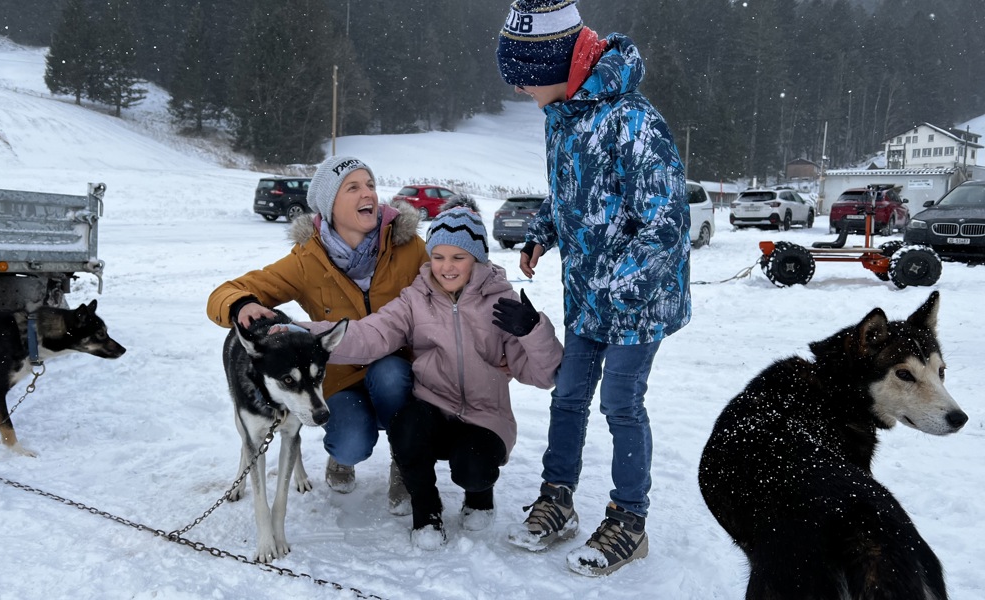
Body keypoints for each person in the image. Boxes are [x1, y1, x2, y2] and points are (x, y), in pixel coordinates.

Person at [495, 0, 692, 577]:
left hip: (639, 300)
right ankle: (557, 499)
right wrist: (542, 230)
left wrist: (617, 288)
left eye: (524, 79)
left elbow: (666, 225)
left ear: (558, 65)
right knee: (569, 394)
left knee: (620, 403)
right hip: (587, 296)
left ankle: (630, 521)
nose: (520, 91)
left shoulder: (634, 121)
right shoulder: (563, 115)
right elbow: (572, 192)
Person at [276, 199, 563, 550]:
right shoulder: (416, 299)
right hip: (433, 409)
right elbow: (371, 334)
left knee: (474, 469)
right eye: (438, 256)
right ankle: (426, 510)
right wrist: (306, 334)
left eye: (458, 257)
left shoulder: (500, 303)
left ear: (477, 258)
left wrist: (533, 331)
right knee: (406, 427)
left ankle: (479, 496)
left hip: (485, 415)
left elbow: (544, 375)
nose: (446, 267)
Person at [206, 155, 429, 514]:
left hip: (396, 369)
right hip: (337, 377)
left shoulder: (410, 248)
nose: (368, 194)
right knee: (350, 444)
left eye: (370, 185)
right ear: (330, 205)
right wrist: (240, 304)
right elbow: (227, 291)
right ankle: (342, 455)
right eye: (353, 187)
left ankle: (404, 460)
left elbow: (453, 281)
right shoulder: (308, 260)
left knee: (391, 374)